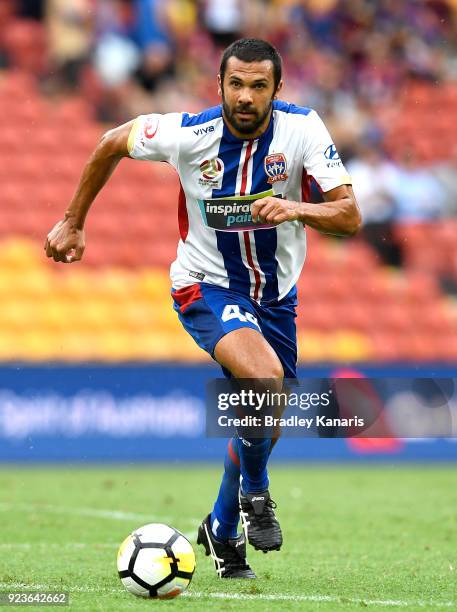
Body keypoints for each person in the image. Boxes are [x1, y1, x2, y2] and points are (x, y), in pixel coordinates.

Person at [45, 38, 361, 579]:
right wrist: (73, 221)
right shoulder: (189, 134)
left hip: (277, 296)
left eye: (258, 86)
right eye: (235, 84)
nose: (245, 96)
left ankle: (220, 529)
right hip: (205, 283)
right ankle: (256, 496)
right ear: (219, 85)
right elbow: (110, 142)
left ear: (276, 90)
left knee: (265, 416)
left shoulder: (303, 128)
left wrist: (295, 207)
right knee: (263, 381)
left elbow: (350, 215)